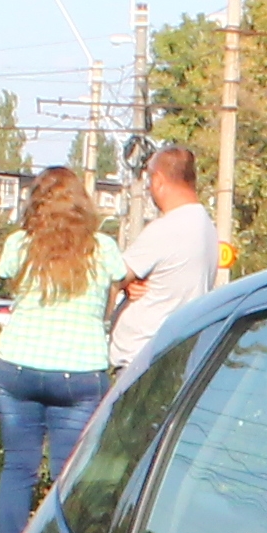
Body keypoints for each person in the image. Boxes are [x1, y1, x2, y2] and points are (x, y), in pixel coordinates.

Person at [0, 165, 123, 533]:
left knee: (18, 469)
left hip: (16, 365)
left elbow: (3, 272)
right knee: (68, 477)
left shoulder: (20, 244)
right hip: (78, 370)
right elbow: (123, 277)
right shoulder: (102, 247)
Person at [105, 142, 218, 381]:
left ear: (158, 180)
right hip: (171, 356)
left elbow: (111, 277)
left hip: (140, 362)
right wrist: (130, 283)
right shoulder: (205, 226)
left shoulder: (167, 229)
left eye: (149, 180)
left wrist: (123, 283)